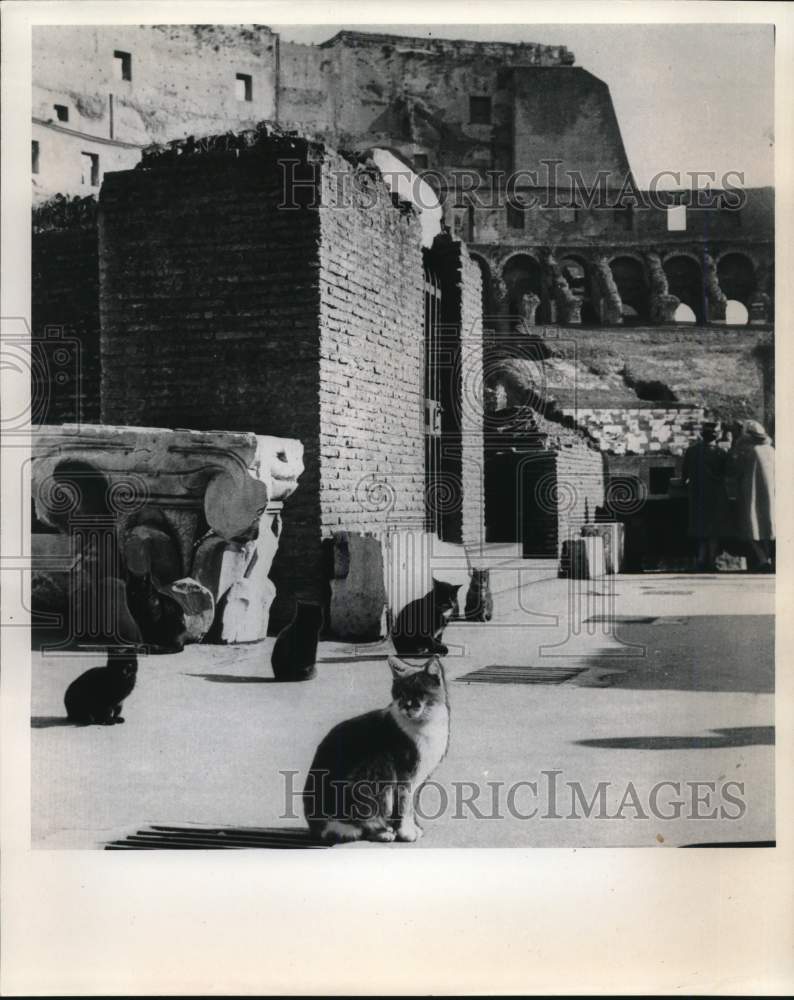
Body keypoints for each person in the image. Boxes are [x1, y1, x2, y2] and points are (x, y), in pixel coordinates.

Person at [681, 421, 728, 572]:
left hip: (697, 494)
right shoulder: (721, 453)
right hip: (716, 494)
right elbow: (727, 474)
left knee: (700, 528)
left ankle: (700, 560)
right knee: (713, 529)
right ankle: (712, 561)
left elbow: (684, 476)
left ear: (702, 434)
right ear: (718, 435)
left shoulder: (691, 451)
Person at [734, 420, 775, 572]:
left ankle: (763, 559)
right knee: (768, 527)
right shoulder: (771, 450)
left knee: (751, 527)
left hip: (751, 493)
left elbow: (735, 470)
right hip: (771, 495)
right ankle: (770, 558)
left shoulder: (746, 450)